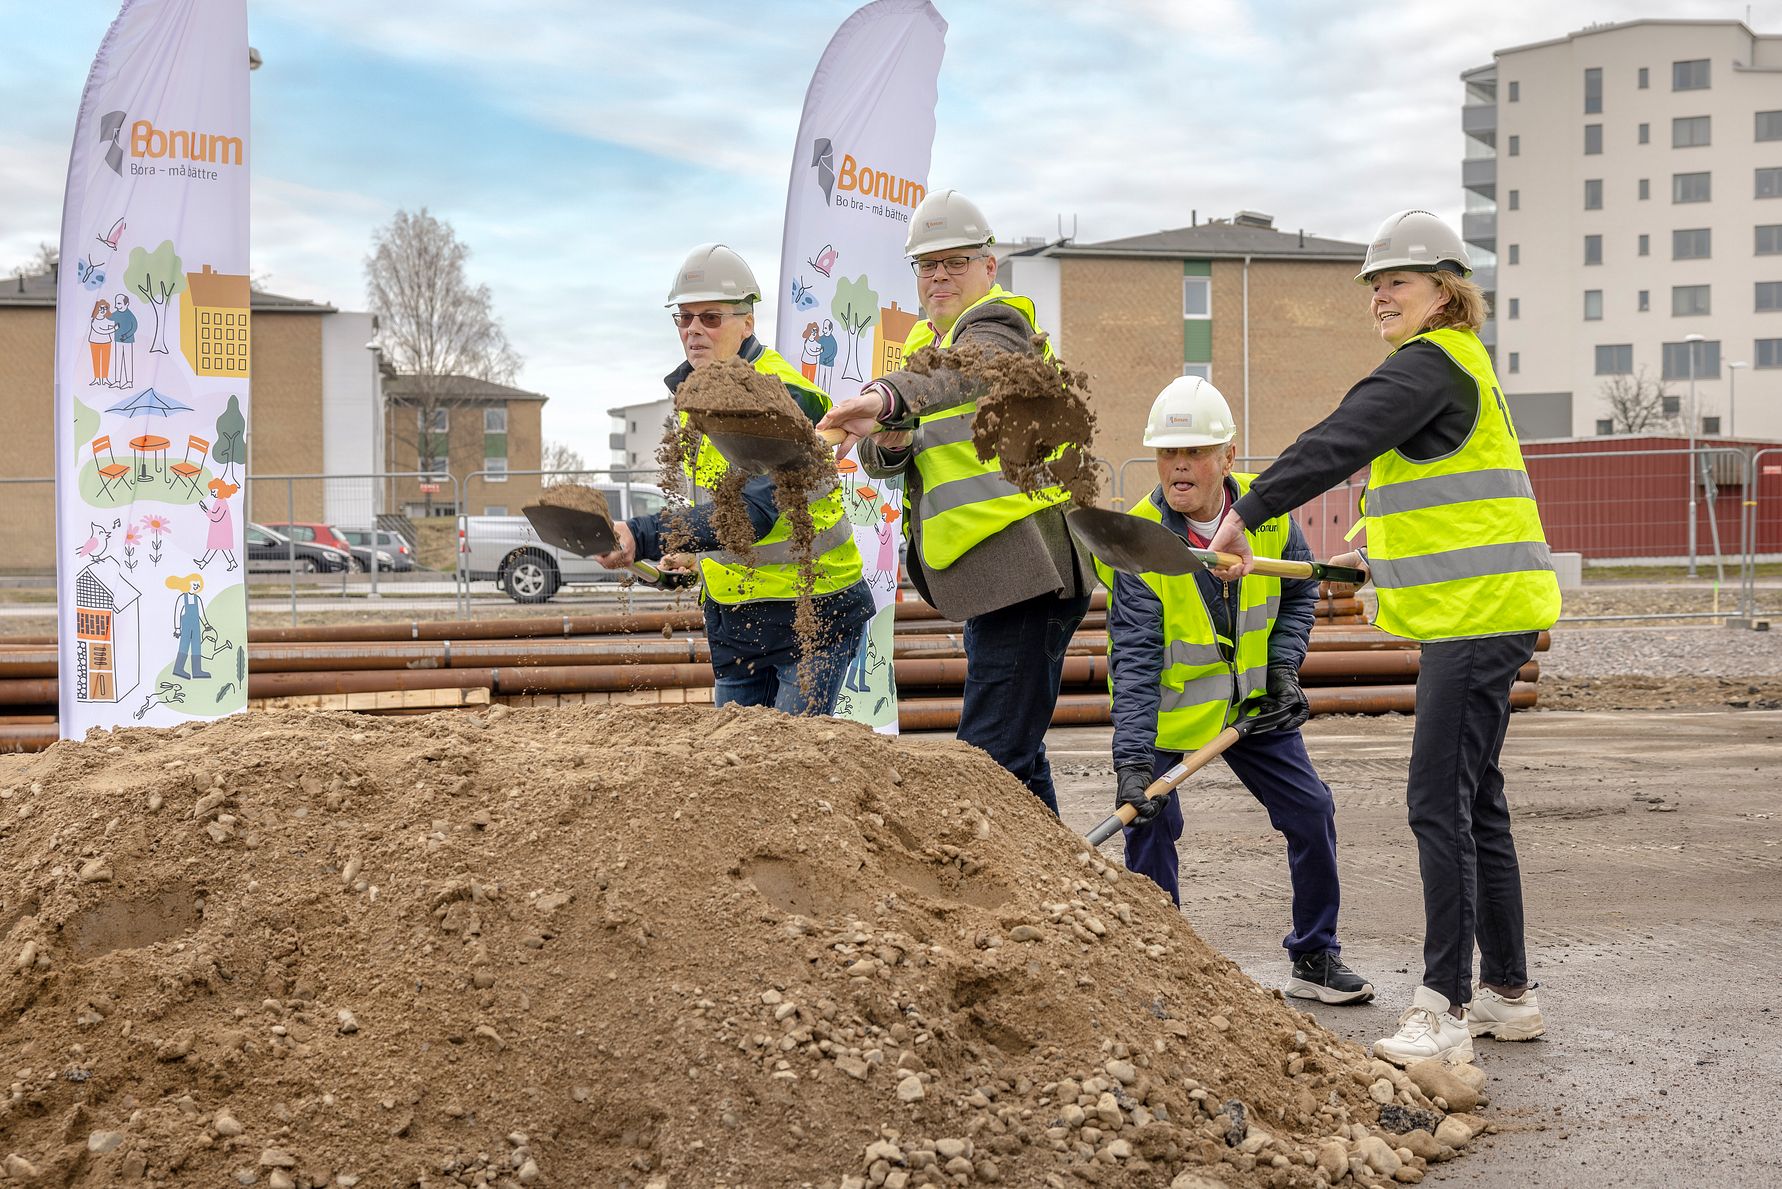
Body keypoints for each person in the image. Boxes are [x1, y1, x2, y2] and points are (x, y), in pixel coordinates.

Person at [1204, 210, 1561, 1063]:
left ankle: (1442, 1009)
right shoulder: (1462, 367)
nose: (1380, 296)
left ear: (1446, 289)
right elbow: (1451, 499)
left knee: (1437, 803)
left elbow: (1340, 437)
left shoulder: (1429, 364)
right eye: (1374, 284)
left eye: (1397, 280)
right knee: (1476, 802)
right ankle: (1507, 993)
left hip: (1475, 617)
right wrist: (1377, 552)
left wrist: (1246, 510)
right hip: (1488, 609)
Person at [819, 189, 1094, 813]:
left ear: (989, 267)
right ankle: (1058, 867)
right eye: (927, 264)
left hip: (1029, 571)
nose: (939, 275)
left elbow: (967, 370)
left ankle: (1018, 870)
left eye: (955, 262)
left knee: (987, 761)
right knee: (1017, 760)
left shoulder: (1002, 326)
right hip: (991, 577)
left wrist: (888, 398)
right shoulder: (922, 348)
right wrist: (891, 440)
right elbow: (897, 455)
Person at [1101, 376, 1373, 1004]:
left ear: (1227, 456)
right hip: (1170, 717)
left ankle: (1314, 957)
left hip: (1253, 706)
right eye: (1168, 453)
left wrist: (1282, 671)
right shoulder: (1141, 539)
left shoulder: (1265, 512)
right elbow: (1135, 657)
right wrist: (1132, 761)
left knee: (1311, 810)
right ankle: (1163, 965)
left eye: (1194, 452)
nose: (1179, 466)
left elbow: (1300, 589)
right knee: (1150, 822)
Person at [595, 243, 874, 715]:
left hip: (812, 613)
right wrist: (694, 555)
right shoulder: (697, 398)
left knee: (789, 757)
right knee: (734, 759)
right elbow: (717, 505)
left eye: (710, 317)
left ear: (747, 322)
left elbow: (754, 513)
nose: (693, 330)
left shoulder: (785, 396)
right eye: (684, 318)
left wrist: (641, 535)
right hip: (735, 621)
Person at [167, 572, 212, 680]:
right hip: (186, 628)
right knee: (184, 646)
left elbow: (201, 613)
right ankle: (178, 668)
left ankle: (197, 671)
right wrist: (177, 629)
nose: (196, 586)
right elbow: (177, 613)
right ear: (187, 583)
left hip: (196, 627)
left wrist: (206, 625)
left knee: (197, 647)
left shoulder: (197, 599)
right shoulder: (182, 598)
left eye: (198, 584)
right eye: (194, 584)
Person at [198, 478, 239, 571]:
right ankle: (231, 562)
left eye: (213, 491)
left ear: (220, 490)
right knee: (219, 547)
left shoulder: (221, 502)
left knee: (217, 547)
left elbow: (216, 517)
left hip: (221, 530)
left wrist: (205, 510)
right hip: (219, 529)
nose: (212, 493)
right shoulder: (219, 501)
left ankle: (203, 563)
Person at [110, 293, 138, 389]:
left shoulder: (130, 315)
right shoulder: (117, 313)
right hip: (118, 340)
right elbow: (110, 317)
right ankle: (117, 381)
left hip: (128, 341)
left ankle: (129, 382)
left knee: (127, 361)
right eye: (116, 303)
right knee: (118, 361)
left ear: (126, 304)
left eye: (119, 303)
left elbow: (134, 327)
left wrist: (126, 335)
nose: (116, 306)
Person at [87, 299, 115, 386]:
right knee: (96, 360)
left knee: (106, 360)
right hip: (94, 342)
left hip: (106, 342)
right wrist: (114, 329)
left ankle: (105, 378)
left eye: (105, 308)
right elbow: (101, 331)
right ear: (97, 308)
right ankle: (97, 378)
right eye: (101, 308)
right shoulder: (93, 320)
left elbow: (114, 323)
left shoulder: (107, 320)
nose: (103, 310)